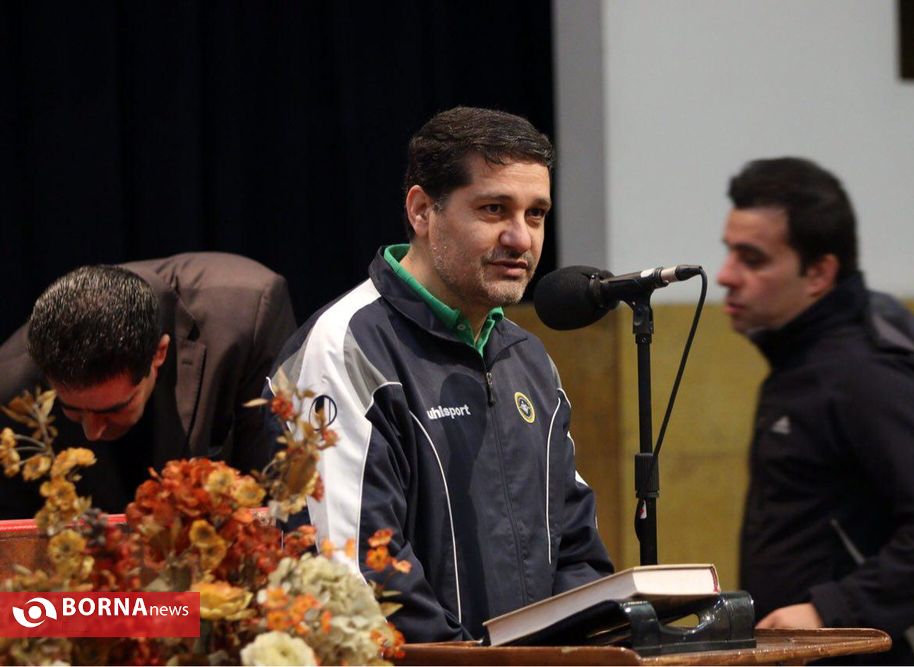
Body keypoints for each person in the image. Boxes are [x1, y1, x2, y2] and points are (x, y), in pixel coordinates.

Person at [270, 106, 614, 642]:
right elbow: (355, 574)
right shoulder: (344, 348)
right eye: (494, 209)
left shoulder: (529, 360)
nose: (521, 239)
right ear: (421, 211)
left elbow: (576, 551)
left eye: (536, 214)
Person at [716, 157, 914, 664]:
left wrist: (831, 610)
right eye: (729, 252)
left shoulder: (867, 370)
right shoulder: (802, 356)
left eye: (752, 259)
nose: (726, 275)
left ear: (819, 273)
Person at [0, 252, 296, 516]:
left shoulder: (249, 313)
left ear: (159, 354)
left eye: (113, 410)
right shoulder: (12, 384)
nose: (92, 432)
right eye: (73, 411)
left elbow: (277, 494)